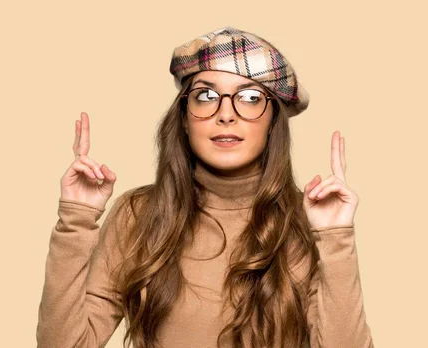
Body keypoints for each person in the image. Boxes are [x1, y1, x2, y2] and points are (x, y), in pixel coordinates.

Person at [36, 27, 374, 348]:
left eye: (251, 97)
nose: (226, 114)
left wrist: (336, 237)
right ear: (184, 117)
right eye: (206, 95)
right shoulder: (138, 214)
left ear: (273, 122)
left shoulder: (309, 222)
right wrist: (76, 219)